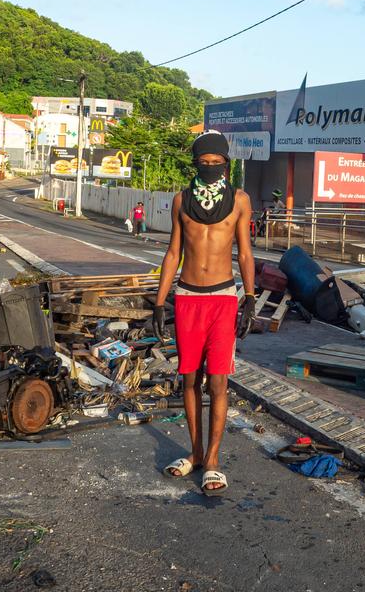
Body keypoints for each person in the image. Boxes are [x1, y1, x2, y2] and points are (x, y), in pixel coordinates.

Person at [153, 131, 255, 496]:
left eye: (216, 163)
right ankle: (194, 454)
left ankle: (213, 460)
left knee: (219, 381)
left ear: (226, 164)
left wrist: (251, 298)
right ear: (195, 164)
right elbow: (172, 253)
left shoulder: (240, 201)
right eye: (204, 163)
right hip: (187, 297)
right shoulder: (181, 200)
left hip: (224, 298)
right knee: (189, 379)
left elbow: (244, 253)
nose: (210, 168)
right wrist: (160, 301)